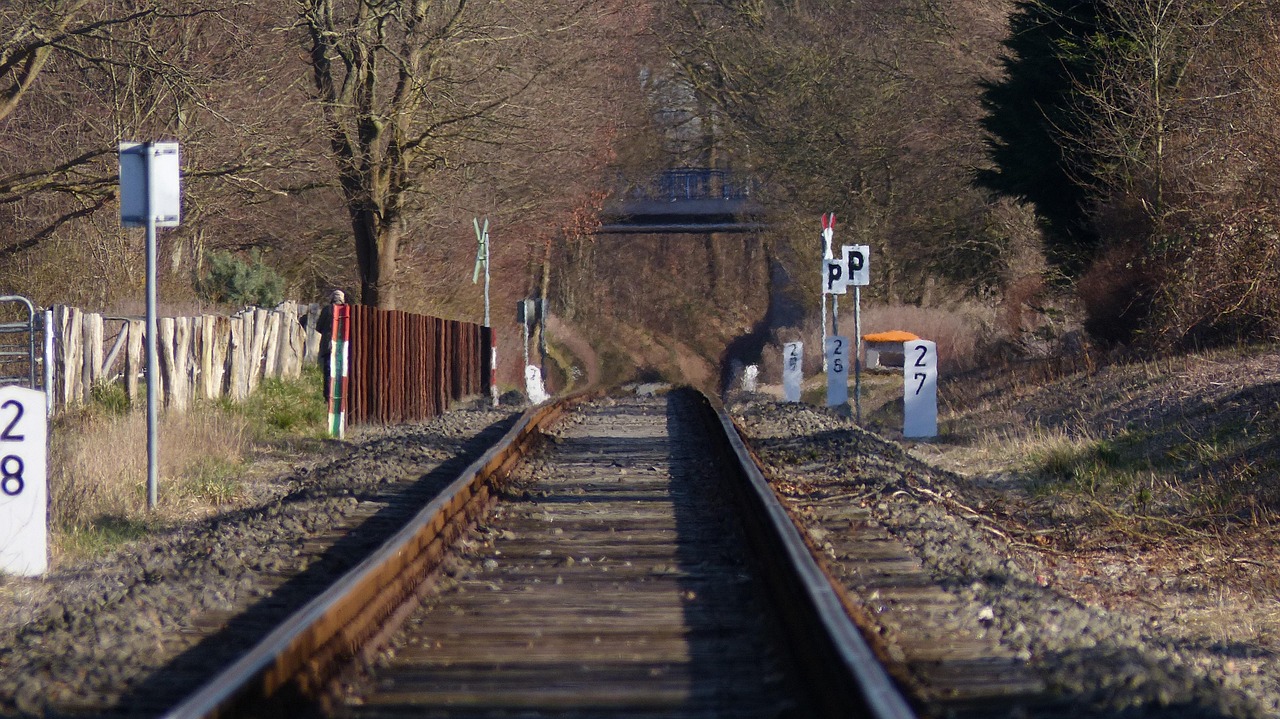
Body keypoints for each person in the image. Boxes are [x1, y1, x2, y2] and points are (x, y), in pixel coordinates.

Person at [317, 290, 346, 402]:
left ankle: (328, 397)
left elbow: (319, 327)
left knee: (328, 371)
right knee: (341, 370)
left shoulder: (326, 310)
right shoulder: (346, 311)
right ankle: (340, 395)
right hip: (343, 346)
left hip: (328, 346)